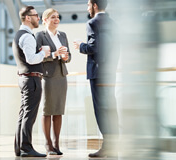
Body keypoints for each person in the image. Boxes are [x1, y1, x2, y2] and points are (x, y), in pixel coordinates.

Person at [73, 0, 119, 158]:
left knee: (101, 110)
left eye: (88, 5)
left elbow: (94, 47)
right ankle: (112, 144)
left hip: (98, 73)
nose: (87, 8)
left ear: (94, 5)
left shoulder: (92, 23)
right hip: (110, 72)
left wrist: (80, 46)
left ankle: (107, 146)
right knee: (111, 108)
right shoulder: (113, 24)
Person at [13, 6, 51, 157]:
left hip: (25, 78)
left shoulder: (19, 34)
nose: (39, 18)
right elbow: (31, 59)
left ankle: (19, 147)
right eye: (36, 15)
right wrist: (43, 52)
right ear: (28, 18)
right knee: (29, 115)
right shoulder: (27, 36)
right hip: (32, 79)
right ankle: (26, 148)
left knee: (23, 114)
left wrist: (41, 52)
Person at [35, 8, 71, 156]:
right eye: (52, 17)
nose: (56, 19)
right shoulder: (40, 36)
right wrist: (55, 55)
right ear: (45, 20)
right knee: (47, 110)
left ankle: (56, 143)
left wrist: (64, 57)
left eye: (57, 17)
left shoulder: (63, 35)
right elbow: (37, 57)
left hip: (62, 76)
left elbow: (69, 57)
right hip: (48, 77)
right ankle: (48, 143)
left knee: (58, 111)